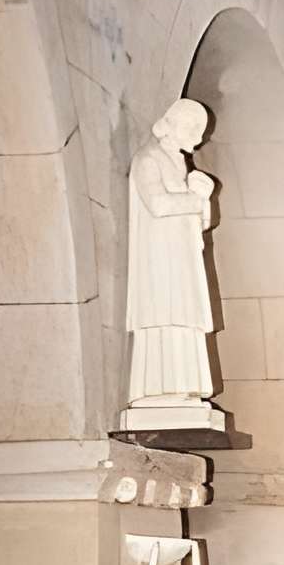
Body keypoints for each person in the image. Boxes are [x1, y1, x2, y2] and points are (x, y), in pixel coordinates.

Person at [125, 98, 216, 414]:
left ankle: (183, 385)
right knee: (166, 315)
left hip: (182, 256)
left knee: (186, 317)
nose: (198, 138)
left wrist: (204, 201)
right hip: (161, 259)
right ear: (176, 125)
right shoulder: (148, 159)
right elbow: (158, 204)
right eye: (194, 129)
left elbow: (199, 223)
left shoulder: (180, 165)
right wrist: (194, 198)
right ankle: (158, 388)